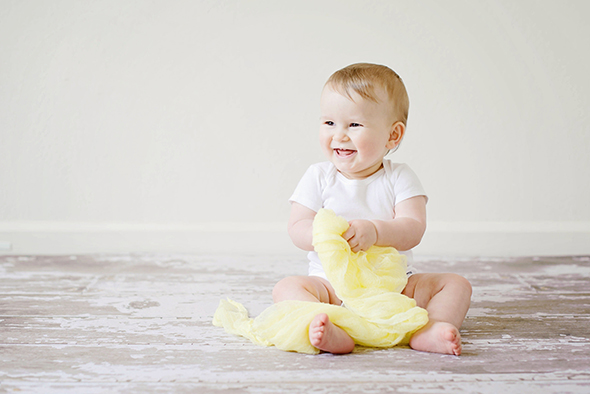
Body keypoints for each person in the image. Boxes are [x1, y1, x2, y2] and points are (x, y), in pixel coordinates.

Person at [272, 63, 472, 356]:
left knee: (456, 285)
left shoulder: (399, 177)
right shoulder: (318, 176)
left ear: (393, 135)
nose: (339, 135)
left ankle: (432, 329)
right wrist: (326, 237)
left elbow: (413, 227)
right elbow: (297, 226)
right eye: (329, 123)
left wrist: (376, 231)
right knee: (286, 288)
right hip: (331, 286)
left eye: (353, 125)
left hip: (393, 287)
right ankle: (330, 326)